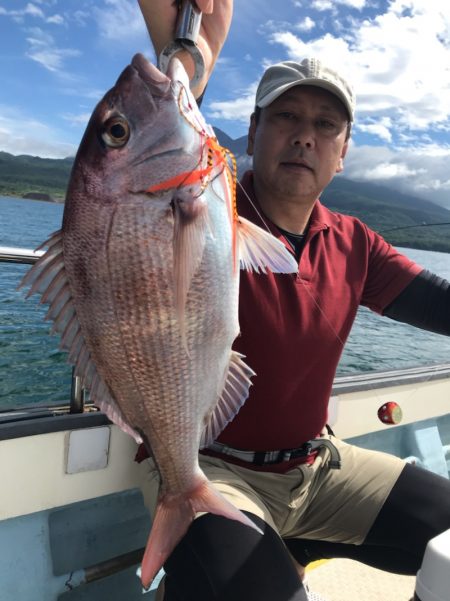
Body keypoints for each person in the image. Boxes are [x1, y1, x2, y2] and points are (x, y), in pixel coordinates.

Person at [137, 1, 450, 600]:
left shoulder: (355, 241)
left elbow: (439, 304)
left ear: (343, 151)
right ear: (253, 131)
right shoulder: (201, 210)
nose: (306, 134)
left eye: (326, 125)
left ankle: (298, 541)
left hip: (320, 465)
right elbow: (151, 159)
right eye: (286, 116)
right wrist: (184, 62)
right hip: (214, 470)